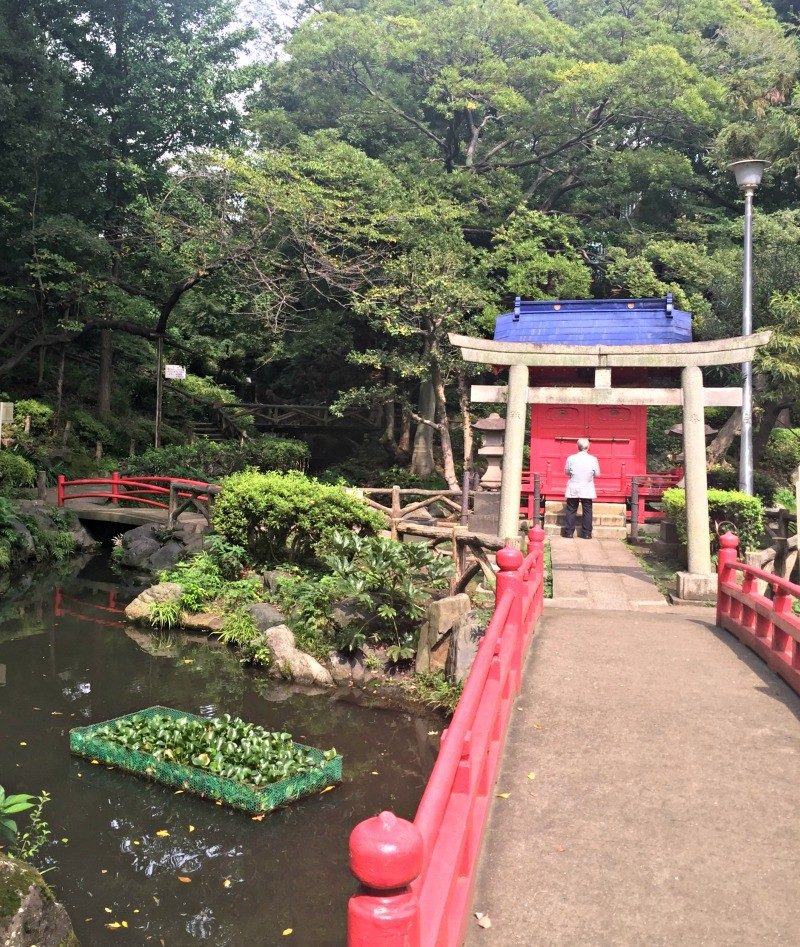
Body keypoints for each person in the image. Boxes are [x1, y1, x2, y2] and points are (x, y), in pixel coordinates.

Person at [562, 437, 600, 539]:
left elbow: (566, 472)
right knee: (587, 509)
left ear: (577, 447)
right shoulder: (593, 459)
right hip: (587, 486)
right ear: (588, 447)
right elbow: (597, 473)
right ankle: (586, 533)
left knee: (571, 509)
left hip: (574, 485)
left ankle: (569, 532)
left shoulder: (571, 458)